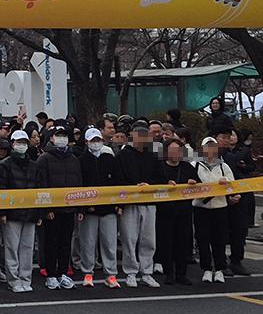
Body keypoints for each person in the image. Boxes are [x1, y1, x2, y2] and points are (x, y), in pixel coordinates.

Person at [34, 125, 83, 290]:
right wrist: (46, 209)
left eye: (64, 135)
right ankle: (51, 274)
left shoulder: (74, 159)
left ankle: (63, 273)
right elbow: (40, 185)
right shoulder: (44, 158)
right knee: (51, 242)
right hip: (52, 210)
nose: (62, 138)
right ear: (52, 138)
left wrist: (79, 208)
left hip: (69, 209)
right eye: (58, 135)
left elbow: (79, 184)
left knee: (65, 242)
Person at [77, 127, 123, 289]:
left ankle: (111, 274)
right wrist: (81, 209)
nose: (96, 143)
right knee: (88, 243)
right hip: (89, 210)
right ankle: (87, 273)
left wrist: (119, 204)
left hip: (109, 209)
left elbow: (118, 183)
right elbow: (79, 186)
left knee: (109, 243)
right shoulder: (81, 161)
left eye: (98, 140)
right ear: (86, 142)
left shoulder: (109, 158)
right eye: (93, 140)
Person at [116, 123, 160, 288]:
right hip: (130, 202)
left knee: (149, 239)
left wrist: (149, 185)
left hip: (149, 201)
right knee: (129, 238)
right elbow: (118, 178)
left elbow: (159, 176)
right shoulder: (123, 155)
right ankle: (131, 272)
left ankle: (147, 272)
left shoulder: (153, 155)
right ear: (132, 136)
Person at [0, 130, 39, 292]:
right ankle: (13, 279)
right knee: (11, 247)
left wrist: (38, 212)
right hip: (12, 213)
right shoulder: (4, 165)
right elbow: (1, 189)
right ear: (12, 144)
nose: (21, 146)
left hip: (30, 213)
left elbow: (38, 190)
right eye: (18, 142)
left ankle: (25, 278)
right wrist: (3, 213)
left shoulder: (34, 165)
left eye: (24, 143)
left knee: (27, 247)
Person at [194, 136, 234, 284]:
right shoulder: (195, 165)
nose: (210, 150)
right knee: (203, 239)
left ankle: (219, 269)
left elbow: (233, 184)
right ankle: (206, 268)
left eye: (213, 147)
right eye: (207, 147)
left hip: (220, 207)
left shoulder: (224, 166)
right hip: (200, 207)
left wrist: (226, 182)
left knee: (220, 239)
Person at [156, 139, 197, 285]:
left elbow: (198, 185)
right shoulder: (159, 167)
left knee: (183, 243)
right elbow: (153, 186)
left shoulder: (187, 167)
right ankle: (169, 273)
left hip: (184, 211)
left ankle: (182, 274)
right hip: (165, 211)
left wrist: (193, 183)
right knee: (166, 242)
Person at [217, 124, 254, 275]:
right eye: (225, 137)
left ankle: (236, 260)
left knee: (239, 229)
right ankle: (220, 262)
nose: (229, 139)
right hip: (220, 195)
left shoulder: (244, 151)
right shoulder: (215, 152)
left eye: (231, 136)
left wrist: (243, 166)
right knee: (221, 230)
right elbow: (231, 162)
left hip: (241, 193)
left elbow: (251, 166)